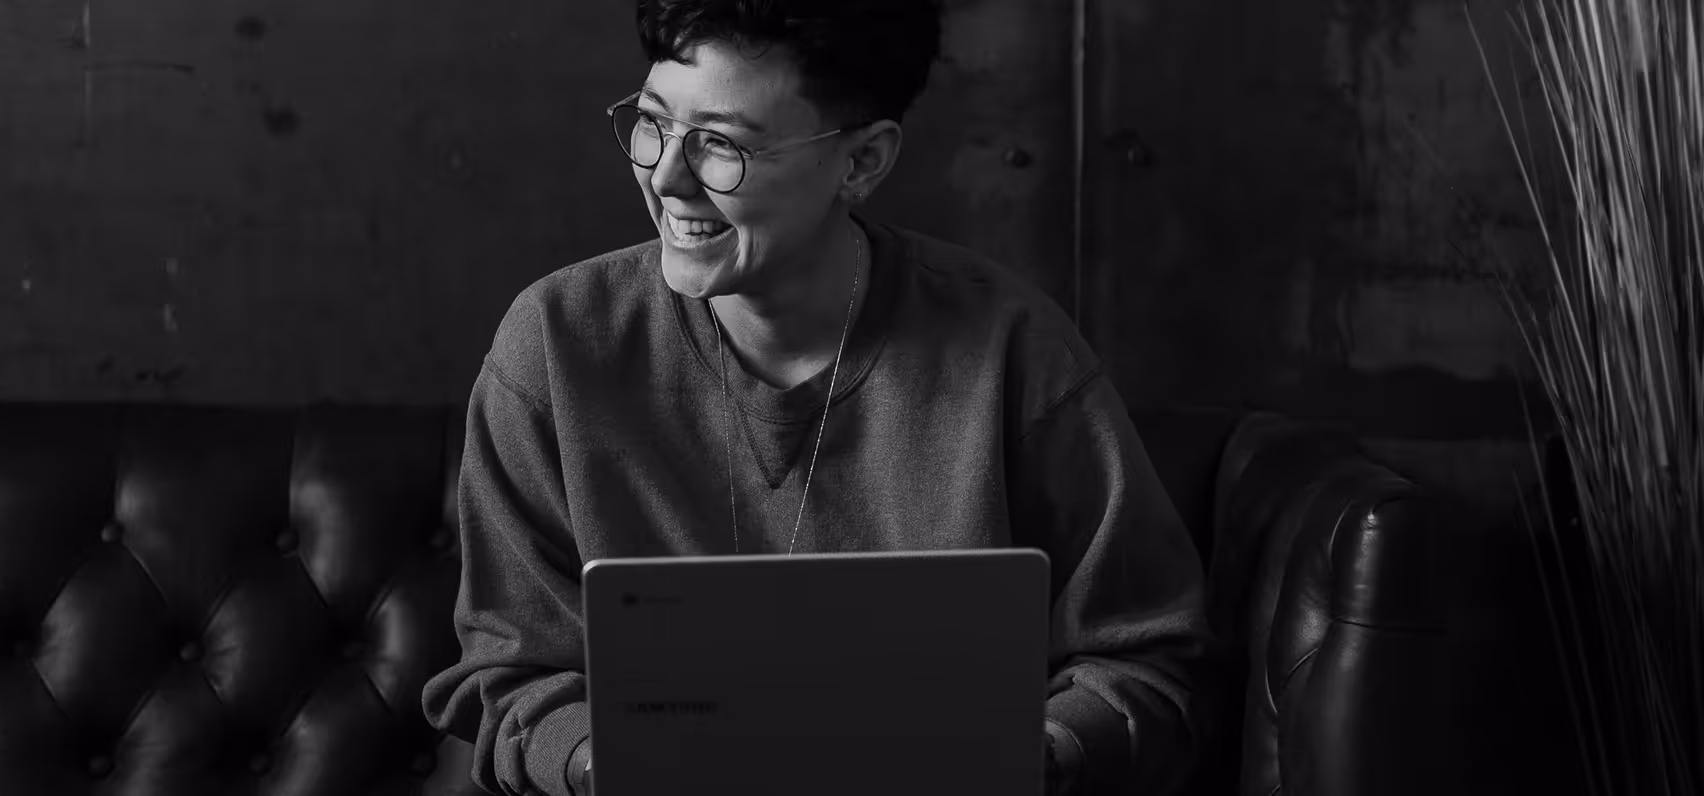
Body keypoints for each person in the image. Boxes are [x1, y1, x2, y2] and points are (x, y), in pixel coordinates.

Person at [419, 1, 1214, 794]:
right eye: (652, 123)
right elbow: (509, 676)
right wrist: (608, 765)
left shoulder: (1013, 351)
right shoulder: (557, 343)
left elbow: (1147, 660)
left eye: (722, 145)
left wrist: (1021, 754)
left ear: (862, 162)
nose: (667, 178)